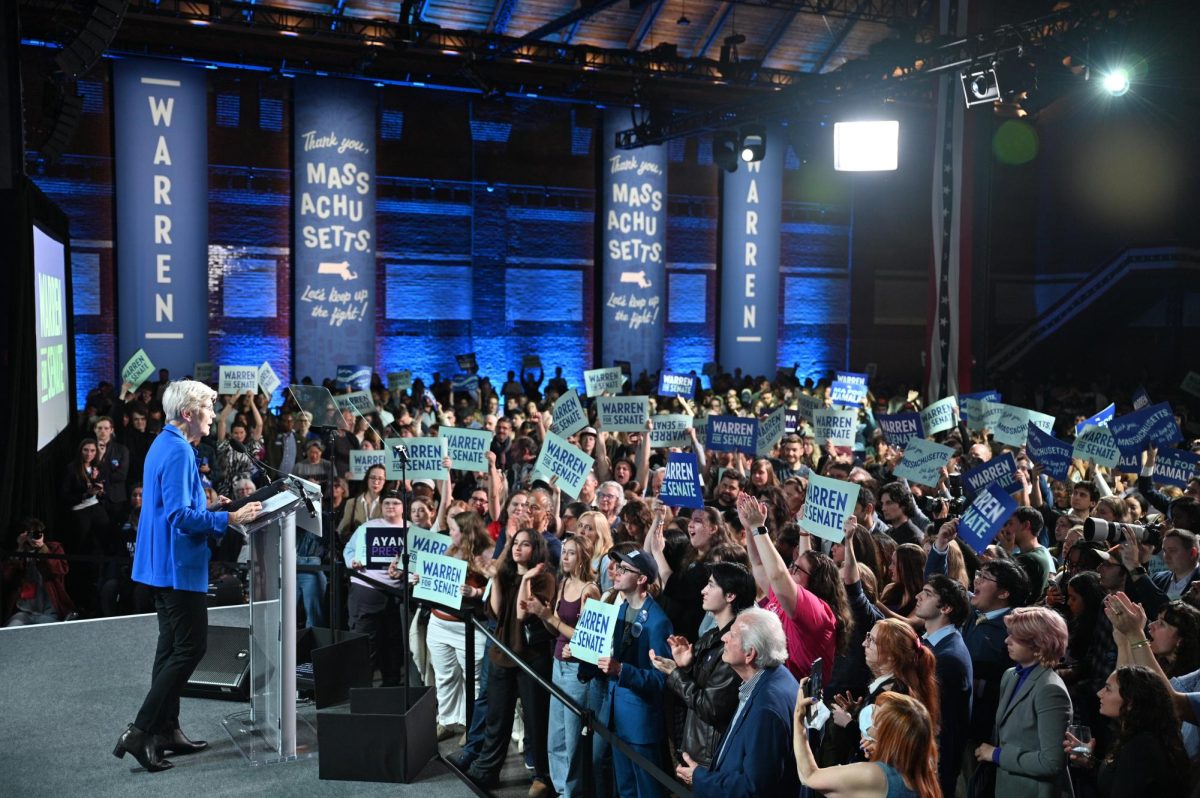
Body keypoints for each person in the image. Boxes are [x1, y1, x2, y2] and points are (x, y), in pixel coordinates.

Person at [117, 380, 262, 773]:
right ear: (188, 414)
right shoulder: (181, 452)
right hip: (177, 568)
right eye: (208, 410)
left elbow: (174, 502)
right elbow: (179, 516)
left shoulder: (164, 442)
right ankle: (140, 730)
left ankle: (166, 731)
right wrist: (229, 517)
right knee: (190, 649)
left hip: (159, 565)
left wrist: (212, 504)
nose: (214, 416)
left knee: (169, 650)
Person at [465, 529, 557, 796]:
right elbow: (495, 611)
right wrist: (494, 579)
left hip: (531, 660)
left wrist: (527, 579)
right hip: (502, 654)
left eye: (525, 544)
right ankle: (487, 770)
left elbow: (521, 614)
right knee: (497, 717)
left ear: (536, 549)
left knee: (536, 720)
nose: (517, 548)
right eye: (515, 543)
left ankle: (541, 776)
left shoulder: (544, 578)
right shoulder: (504, 575)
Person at [675, 606, 801, 797]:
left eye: (732, 635)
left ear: (750, 654)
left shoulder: (766, 709)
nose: (724, 637)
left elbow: (753, 788)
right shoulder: (777, 677)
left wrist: (700, 779)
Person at [651, 561, 754, 767]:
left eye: (711, 585)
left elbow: (710, 707)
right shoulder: (711, 635)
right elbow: (701, 686)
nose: (703, 590)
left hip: (711, 756)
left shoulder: (734, 647)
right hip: (696, 745)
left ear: (730, 596)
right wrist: (686, 665)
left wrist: (675, 673)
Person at [591, 548, 673, 798]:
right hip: (616, 716)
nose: (616, 572)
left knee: (647, 790)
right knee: (626, 788)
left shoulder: (658, 622)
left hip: (640, 721)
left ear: (641, 579)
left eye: (624, 569)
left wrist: (622, 670)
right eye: (617, 567)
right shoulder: (620, 611)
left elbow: (662, 678)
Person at [525, 534, 600, 797]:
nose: (564, 557)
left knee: (572, 739)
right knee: (555, 736)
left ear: (583, 557)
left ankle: (573, 792)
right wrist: (541, 613)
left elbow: (587, 639)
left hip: (576, 671)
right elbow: (555, 627)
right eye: (564, 552)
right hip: (558, 663)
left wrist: (549, 618)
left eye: (570, 553)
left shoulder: (589, 590)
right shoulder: (564, 581)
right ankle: (560, 789)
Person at [973, 606, 1071, 798]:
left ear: (1039, 644)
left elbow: (1052, 762)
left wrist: (997, 755)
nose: (1006, 640)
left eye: (1015, 637)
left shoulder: (1050, 690)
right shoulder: (1011, 675)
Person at [1064, 665, 1191, 798]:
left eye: (1108, 689)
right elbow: (1118, 780)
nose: (1099, 693)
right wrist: (1089, 761)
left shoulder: (1140, 748)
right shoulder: (1137, 737)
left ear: (1131, 702)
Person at [422, 510, 491, 740]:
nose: (449, 532)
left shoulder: (486, 554)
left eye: (453, 529)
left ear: (467, 533)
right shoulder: (448, 549)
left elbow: (497, 588)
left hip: (469, 628)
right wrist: (421, 579)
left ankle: (472, 726)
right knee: (445, 676)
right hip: (439, 624)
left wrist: (477, 591)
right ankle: (447, 720)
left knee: (474, 680)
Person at [794, 690, 941, 798]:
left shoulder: (875, 775)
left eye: (874, 721)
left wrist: (798, 719)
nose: (868, 718)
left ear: (887, 738)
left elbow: (809, 776)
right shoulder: (924, 770)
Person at [913, 574, 973, 798]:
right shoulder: (931, 642)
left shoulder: (948, 658)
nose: (918, 596)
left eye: (927, 594)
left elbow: (934, 720)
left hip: (934, 766)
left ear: (946, 608)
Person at [344, 490, 409, 687]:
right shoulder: (367, 527)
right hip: (366, 591)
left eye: (395, 503)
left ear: (403, 507)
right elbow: (348, 550)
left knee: (393, 644)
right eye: (387, 502)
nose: (391, 506)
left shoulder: (411, 530)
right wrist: (352, 561)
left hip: (395, 594)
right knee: (365, 642)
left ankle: (391, 686)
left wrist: (404, 571)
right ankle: (362, 689)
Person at [3, 519, 74, 625]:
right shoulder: (19, 552)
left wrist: (42, 549)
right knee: (12, 630)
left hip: (49, 611)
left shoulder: (53, 548)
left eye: (36, 533)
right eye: (29, 534)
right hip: (23, 610)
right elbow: (6, 576)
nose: (32, 537)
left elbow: (61, 570)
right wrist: (20, 549)